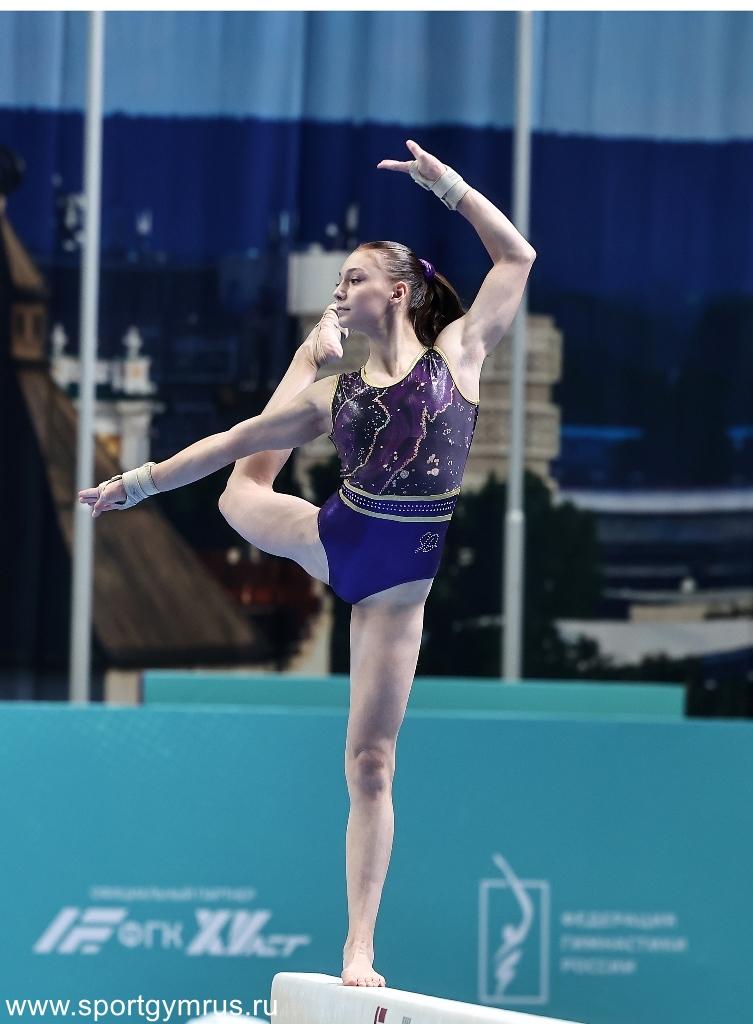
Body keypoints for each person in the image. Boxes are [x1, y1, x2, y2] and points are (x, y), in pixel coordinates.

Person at [79, 139, 536, 988]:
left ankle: (359, 946)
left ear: (397, 290)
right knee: (238, 491)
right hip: (334, 537)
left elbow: (516, 257)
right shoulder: (338, 396)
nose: (340, 287)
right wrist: (134, 485)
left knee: (370, 765)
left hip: (392, 596)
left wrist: (448, 187)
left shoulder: (459, 356)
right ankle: (301, 354)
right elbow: (229, 440)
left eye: (353, 277)